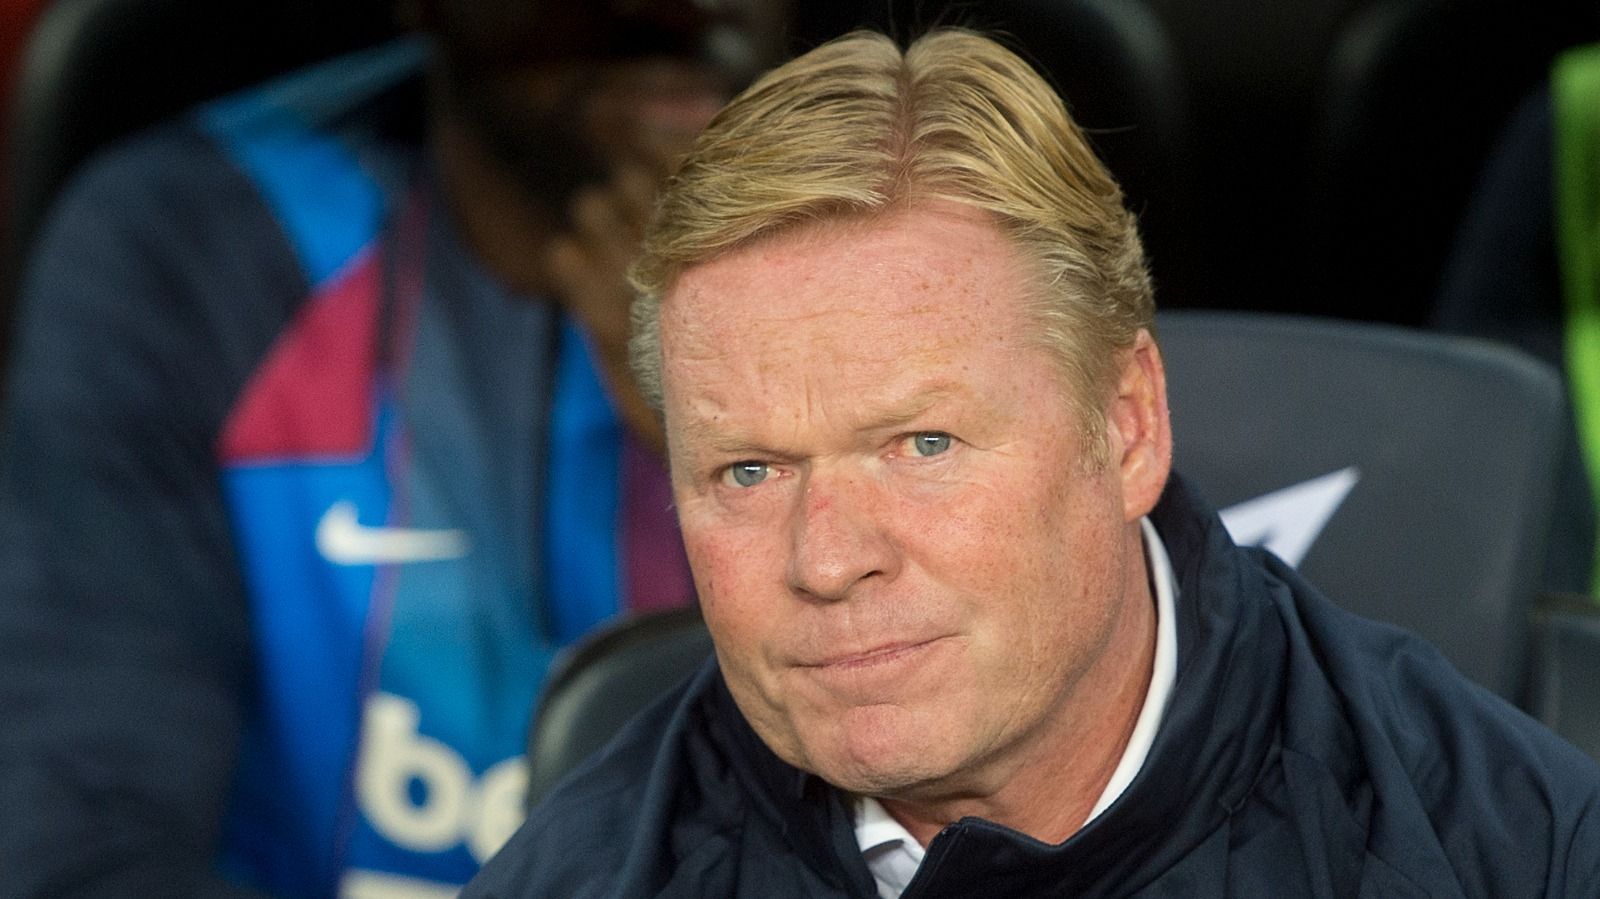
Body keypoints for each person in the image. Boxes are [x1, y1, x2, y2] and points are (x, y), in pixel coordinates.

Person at [465, 27, 1600, 898]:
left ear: (1128, 426)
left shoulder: (1510, 848)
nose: (826, 559)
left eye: (922, 443)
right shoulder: (584, 867)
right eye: (749, 471)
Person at [0, 1, 790, 895]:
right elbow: (80, 838)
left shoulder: (907, 259)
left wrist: (756, 439)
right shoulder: (211, 244)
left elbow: (923, 812)